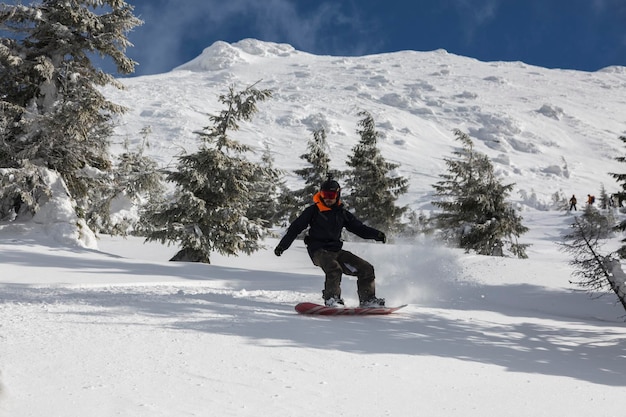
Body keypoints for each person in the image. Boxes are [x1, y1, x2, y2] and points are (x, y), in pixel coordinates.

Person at [274, 177, 387, 307]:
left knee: (366, 268)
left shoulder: (341, 213)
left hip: (336, 251)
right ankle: (332, 299)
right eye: (324, 195)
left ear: (337, 195)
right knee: (334, 269)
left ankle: (368, 300)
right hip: (318, 250)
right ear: (320, 194)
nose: (328, 198)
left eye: (331, 195)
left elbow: (359, 228)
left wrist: (376, 235)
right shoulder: (314, 211)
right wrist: (282, 246)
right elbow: (295, 228)